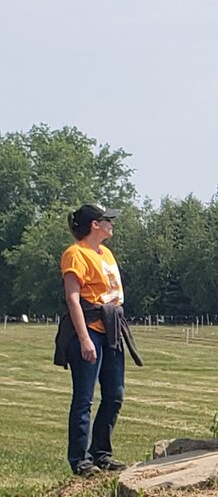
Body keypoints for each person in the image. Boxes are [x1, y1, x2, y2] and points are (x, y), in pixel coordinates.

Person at [53, 204, 142, 476]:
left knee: (115, 395)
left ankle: (101, 453)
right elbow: (73, 299)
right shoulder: (75, 254)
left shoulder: (106, 253)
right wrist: (84, 339)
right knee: (84, 398)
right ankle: (80, 461)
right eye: (107, 220)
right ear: (95, 225)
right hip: (89, 328)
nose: (111, 224)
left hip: (110, 328)